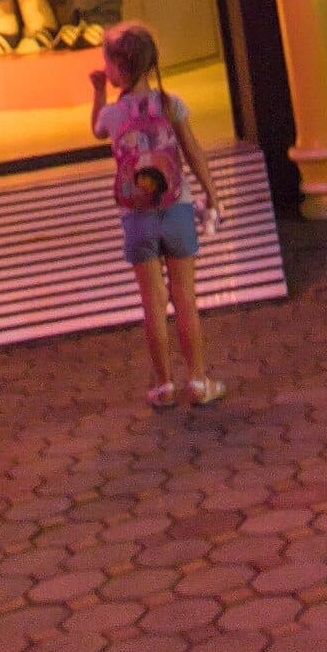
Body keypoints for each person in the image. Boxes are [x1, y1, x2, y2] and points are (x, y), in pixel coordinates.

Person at [89, 22, 226, 410]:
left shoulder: (114, 115)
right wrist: (212, 197)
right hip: (178, 209)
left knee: (153, 303)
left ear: (118, 68)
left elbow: (96, 130)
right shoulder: (172, 104)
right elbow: (195, 153)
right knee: (185, 299)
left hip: (137, 218)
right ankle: (198, 381)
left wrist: (98, 91)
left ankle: (163, 385)